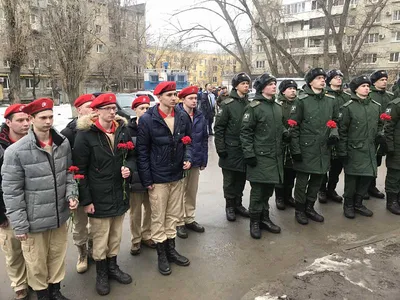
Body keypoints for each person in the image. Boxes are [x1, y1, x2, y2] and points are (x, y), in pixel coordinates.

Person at [2, 98, 78, 300]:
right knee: (36, 262)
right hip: (33, 220)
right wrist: (19, 225)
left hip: (59, 216)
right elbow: (11, 191)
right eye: (43, 117)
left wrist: (72, 194)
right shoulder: (15, 151)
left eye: (51, 117)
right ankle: (43, 294)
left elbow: (69, 173)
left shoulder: (63, 143)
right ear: (31, 119)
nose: (48, 121)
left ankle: (56, 290)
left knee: (57, 256)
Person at [73, 93, 134, 296]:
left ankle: (113, 267)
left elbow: (132, 156)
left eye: (114, 108)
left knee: (116, 234)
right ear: (96, 111)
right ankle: (101, 273)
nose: (112, 112)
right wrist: (87, 200)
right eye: (107, 108)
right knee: (100, 237)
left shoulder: (122, 131)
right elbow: (79, 171)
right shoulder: (85, 135)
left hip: (120, 191)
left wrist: (129, 169)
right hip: (98, 196)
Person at [137, 81, 192, 276]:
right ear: (159, 97)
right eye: (169, 95)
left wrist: (187, 158)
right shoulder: (147, 120)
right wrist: (147, 179)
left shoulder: (182, 116)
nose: (174, 98)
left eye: (175, 94)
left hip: (176, 175)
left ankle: (171, 249)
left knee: (173, 215)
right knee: (158, 216)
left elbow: (188, 142)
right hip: (158, 177)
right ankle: (161, 254)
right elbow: (142, 152)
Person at [290, 68, 339, 225]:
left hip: (323, 147)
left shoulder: (331, 100)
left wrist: (334, 134)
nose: (323, 80)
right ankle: (299, 209)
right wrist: (296, 150)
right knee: (302, 181)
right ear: (310, 81)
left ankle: (310, 207)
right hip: (306, 148)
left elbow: (335, 121)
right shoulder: (301, 100)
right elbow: (293, 127)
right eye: (318, 78)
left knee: (317, 179)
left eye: (323, 78)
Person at [241, 73, 286, 239]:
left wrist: (286, 133)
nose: (274, 86)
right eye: (270, 84)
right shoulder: (254, 108)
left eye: (274, 84)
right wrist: (249, 154)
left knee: (268, 190)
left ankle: (264, 219)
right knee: (258, 192)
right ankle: (254, 221)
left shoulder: (277, 107)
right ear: (261, 87)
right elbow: (245, 133)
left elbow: (279, 128)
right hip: (259, 157)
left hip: (274, 157)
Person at [337, 76, 385, 218]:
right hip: (353, 149)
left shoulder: (375, 106)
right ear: (355, 89)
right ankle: (348, 205)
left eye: (367, 86)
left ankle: (358, 203)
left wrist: (380, 135)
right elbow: (342, 131)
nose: (366, 88)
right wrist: (342, 151)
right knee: (352, 179)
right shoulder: (348, 107)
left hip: (370, 148)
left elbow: (380, 124)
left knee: (367, 177)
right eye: (363, 86)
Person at [61, 93, 95, 274]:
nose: (92, 110)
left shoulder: (98, 128)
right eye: (88, 106)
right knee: (80, 224)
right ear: (78, 109)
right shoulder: (68, 133)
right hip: (77, 183)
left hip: (96, 183)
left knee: (96, 222)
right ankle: (82, 254)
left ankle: (93, 249)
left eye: (94, 106)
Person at [0, 104, 30, 300]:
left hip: (33, 206)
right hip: (7, 209)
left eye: (28, 119)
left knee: (33, 249)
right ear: (8, 122)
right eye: (20, 120)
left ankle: (35, 281)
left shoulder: (35, 141)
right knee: (13, 250)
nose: (26, 123)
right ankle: (20, 285)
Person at [214, 72, 251, 222]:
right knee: (229, 180)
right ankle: (230, 206)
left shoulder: (249, 104)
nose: (246, 86)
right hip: (230, 149)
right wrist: (220, 148)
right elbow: (219, 128)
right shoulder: (227, 104)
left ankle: (238, 204)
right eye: (243, 83)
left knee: (241, 178)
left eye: (248, 83)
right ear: (236, 86)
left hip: (244, 149)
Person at [176, 86, 208, 239]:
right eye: (191, 98)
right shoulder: (177, 114)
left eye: (196, 98)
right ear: (183, 99)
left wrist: (203, 159)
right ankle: (179, 221)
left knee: (191, 191)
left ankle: (190, 218)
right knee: (179, 192)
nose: (194, 101)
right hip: (180, 160)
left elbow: (204, 138)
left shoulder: (200, 115)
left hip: (195, 158)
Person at [127, 96, 155, 255]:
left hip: (151, 175)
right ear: (135, 110)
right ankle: (136, 239)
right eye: (141, 108)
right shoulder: (127, 129)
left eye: (147, 108)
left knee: (150, 208)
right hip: (135, 176)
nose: (145, 111)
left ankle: (147, 234)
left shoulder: (152, 126)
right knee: (135, 211)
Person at [318, 70, 351, 204]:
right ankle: (322, 190)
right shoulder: (323, 95)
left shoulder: (347, 97)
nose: (339, 80)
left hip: (342, 134)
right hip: (327, 134)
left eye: (340, 77)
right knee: (324, 165)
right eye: (335, 78)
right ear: (329, 80)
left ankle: (331, 189)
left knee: (337, 165)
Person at [368, 70, 395, 199]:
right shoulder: (369, 94)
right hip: (372, 132)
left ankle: (371, 186)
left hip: (387, 133)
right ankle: (365, 187)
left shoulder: (390, 96)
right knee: (369, 161)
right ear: (374, 82)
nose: (384, 82)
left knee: (378, 160)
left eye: (385, 79)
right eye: (381, 80)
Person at [274, 79, 298, 210]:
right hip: (282, 143)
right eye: (290, 88)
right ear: (283, 91)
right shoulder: (278, 105)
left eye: (294, 88)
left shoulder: (299, 104)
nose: (293, 90)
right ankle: (279, 197)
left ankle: (289, 196)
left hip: (295, 143)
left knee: (292, 171)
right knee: (280, 172)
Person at [383, 94, 400, 215]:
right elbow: (388, 127)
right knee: (394, 173)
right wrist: (390, 147)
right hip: (397, 147)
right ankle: (392, 201)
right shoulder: (395, 105)